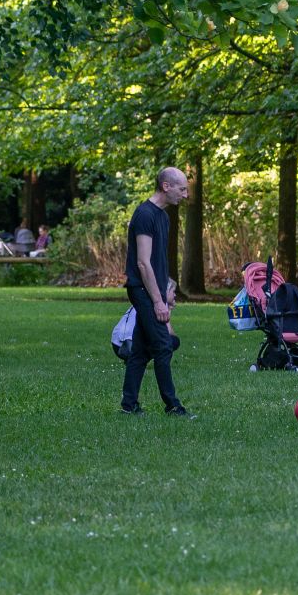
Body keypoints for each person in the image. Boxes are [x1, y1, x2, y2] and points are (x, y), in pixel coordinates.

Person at [121, 166, 192, 417]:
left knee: (141, 350)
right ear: (166, 186)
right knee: (163, 346)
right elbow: (142, 263)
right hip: (142, 290)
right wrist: (158, 301)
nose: (185, 195)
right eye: (182, 189)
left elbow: (159, 261)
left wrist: (167, 289)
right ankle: (173, 405)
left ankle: (129, 405)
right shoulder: (144, 215)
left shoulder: (163, 216)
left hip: (154, 290)